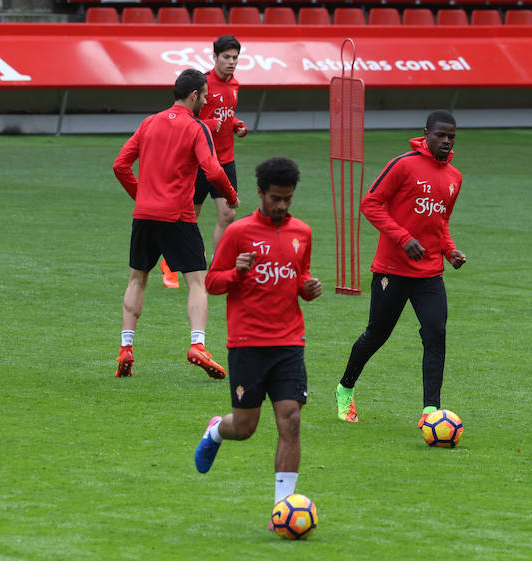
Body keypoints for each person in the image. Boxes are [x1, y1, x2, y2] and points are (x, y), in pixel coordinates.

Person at [194, 157, 322, 523]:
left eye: (288, 199)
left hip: (288, 343)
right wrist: (236, 272)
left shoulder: (302, 233)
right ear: (261, 193)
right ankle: (217, 431)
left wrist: (308, 288)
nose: (282, 206)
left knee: (291, 420)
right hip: (247, 343)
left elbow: (300, 278)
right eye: (275, 199)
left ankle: (283, 508)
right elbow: (212, 282)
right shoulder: (238, 233)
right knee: (246, 427)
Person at [334, 110, 467, 427]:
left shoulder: (454, 178)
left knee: (436, 335)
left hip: (430, 273)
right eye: (441, 135)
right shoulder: (403, 165)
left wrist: (449, 251)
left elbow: (440, 222)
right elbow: (371, 203)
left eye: (451, 137)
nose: (446, 141)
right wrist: (403, 238)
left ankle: (429, 411)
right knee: (376, 336)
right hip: (392, 271)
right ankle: (345, 387)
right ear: (426, 133)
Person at [112, 68, 240, 379]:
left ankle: (126, 348)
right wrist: (231, 195)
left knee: (136, 279)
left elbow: (120, 165)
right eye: (205, 96)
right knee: (196, 281)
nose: (207, 101)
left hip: (144, 216)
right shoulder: (197, 129)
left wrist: (141, 196)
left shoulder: (150, 122)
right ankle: (198, 344)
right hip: (178, 216)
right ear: (194, 95)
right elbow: (212, 170)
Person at [160, 35, 248, 289]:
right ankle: (170, 264)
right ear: (215, 58)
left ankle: (217, 266)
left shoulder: (235, 85)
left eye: (235, 58)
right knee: (190, 215)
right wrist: (208, 125)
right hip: (200, 160)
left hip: (226, 160)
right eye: (226, 57)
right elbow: (183, 115)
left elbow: (226, 116)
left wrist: (236, 125)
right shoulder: (202, 83)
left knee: (228, 213)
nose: (231, 62)